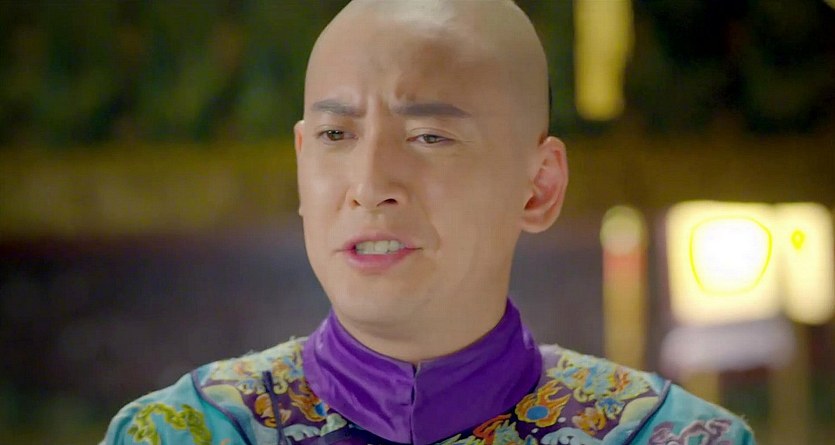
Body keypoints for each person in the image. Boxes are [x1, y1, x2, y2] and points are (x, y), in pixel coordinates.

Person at [103, 1, 756, 444]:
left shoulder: (665, 435)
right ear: (302, 162)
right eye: (335, 134)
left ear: (539, 186)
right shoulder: (183, 431)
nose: (369, 187)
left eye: (429, 136)